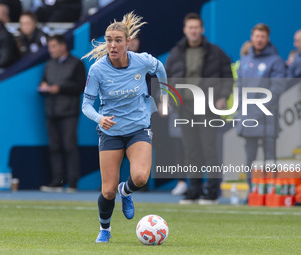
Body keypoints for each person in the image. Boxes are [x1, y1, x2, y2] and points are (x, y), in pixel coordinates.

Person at [81, 12, 167, 243]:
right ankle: (105, 229)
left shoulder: (142, 60)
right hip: (110, 132)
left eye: (118, 40)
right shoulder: (97, 70)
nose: (113, 44)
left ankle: (126, 191)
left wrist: (162, 95)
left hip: (138, 128)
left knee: (139, 177)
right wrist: (99, 118)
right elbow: (86, 105)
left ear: (128, 42)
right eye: (109, 40)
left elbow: (160, 68)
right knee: (107, 191)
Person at [165, 13, 233, 203]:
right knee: (191, 151)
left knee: (209, 150)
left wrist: (222, 97)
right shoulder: (176, 52)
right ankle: (194, 190)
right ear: (185, 30)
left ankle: (211, 192)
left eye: (196, 27)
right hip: (185, 107)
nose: (193, 31)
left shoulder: (216, 52)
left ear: (202, 30)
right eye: (190, 27)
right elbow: (166, 77)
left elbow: (228, 77)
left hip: (208, 107)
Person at [236, 23, 286, 187]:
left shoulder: (276, 61)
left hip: (267, 118)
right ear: (252, 37)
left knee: (269, 156)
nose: (259, 40)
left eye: (263, 37)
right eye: (257, 36)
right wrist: (240, 114)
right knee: (250, 157)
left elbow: (277, 89)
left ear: (267, 39)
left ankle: (270, 190)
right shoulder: (244, 61)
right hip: (248, 118)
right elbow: (240, 89)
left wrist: (259, 109)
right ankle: (252, 191)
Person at [39, 35, 86, 193]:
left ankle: (72, 182)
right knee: (54, 147)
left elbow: (80, 86)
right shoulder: (49, 64)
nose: (50, 50)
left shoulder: (77, 63)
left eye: (53, 46)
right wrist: (44, 87)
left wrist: (59, 89)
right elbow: (44, 82)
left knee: (69, 146)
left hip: (69, 112)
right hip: (51, 111)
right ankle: (57, 181)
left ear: (62, 46)